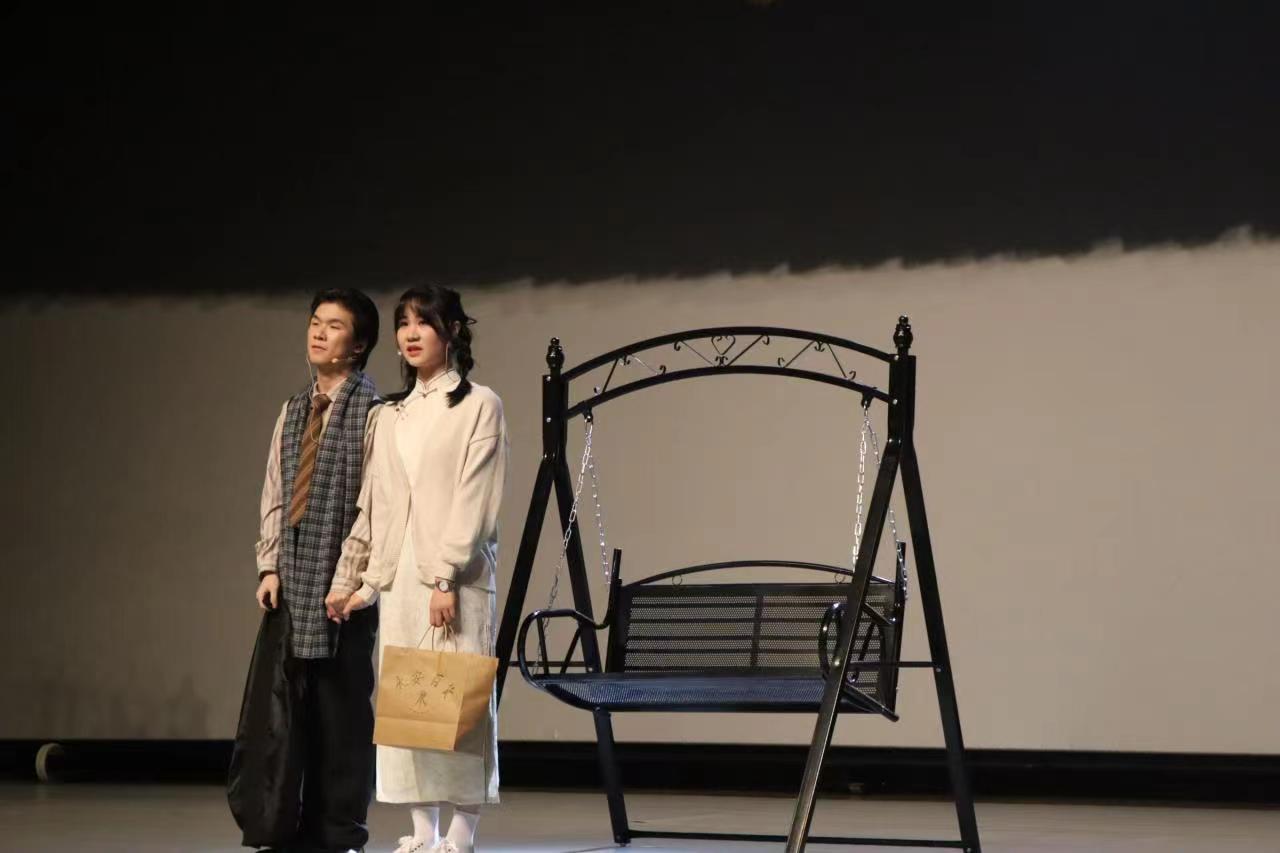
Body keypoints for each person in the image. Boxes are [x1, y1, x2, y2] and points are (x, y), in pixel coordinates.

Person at [327, 285, 507, 853]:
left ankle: (462, 831)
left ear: (451, 331)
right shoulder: (389, 415)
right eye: (403, 323)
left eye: (423, 322)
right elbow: (376, 505)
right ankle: (422, 829)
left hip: (454, 576)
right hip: (402, 579)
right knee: (410, 704)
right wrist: (360, 583)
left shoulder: (479, 404)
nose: (409, 333)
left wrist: (445, 576)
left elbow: (474, 499)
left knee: (458, 702)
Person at [228, 288, 381, 853]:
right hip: (292, 580)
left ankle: (338, 833)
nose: (318, 332)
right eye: (315, 321)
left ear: (358, 344)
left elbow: (373, 505)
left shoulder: (374, 413)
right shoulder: (294, 411)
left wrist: (347, 580)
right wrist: (269, 566)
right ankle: (279, 826)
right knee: (284, 714)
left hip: (345, 589)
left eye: (334, 325)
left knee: (340, 716)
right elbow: (275, 491)